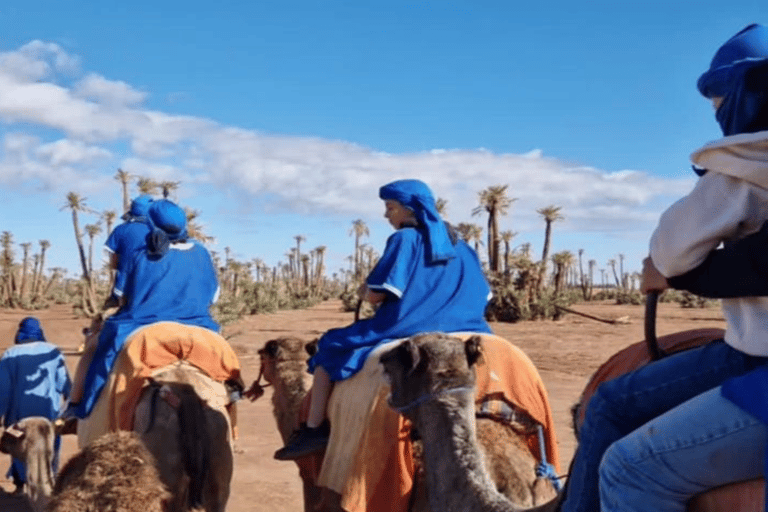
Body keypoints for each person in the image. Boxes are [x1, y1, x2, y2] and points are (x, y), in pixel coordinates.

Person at [554, 24, 768, 512]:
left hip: (756, 354)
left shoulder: (745, 164)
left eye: (717, 97)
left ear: (744, 92)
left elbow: (671, 253)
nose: (715, 112)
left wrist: (669, 271)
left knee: (625, 453)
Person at [271, 178, 493, 461]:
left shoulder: (405, 239)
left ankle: (314, 430)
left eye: (390, 207)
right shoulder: (463, 247)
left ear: (408, 209)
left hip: (405, 327)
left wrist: (364, 290)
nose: (386, 214)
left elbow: (377, 295)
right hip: (472, 329)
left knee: (329, 347)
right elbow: (484, 295)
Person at [65, 198, 221, 419]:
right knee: (225, 363)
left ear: (151, 224)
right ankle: (232, 397)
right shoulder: (202, 253)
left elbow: (121, 296)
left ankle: (83, 409)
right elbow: (213, 296)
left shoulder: (140, 255)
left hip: (139, 324)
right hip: (198, 325)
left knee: (103, 355)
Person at [0, 317, 71, 492]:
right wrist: (71, 407)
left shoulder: (10, 354)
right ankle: (49, 483)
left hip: (19, 414)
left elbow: (4, 389)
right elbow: (64, 383)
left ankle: (20, 485)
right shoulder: (53, 352)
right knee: (49, 446)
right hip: (49, 413)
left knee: (20, 447)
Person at [103, 194, 154, 308]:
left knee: (109, 314)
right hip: (155, 286)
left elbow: (114, 263)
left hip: (124, 287)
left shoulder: (120, 229)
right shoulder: (160, 232)